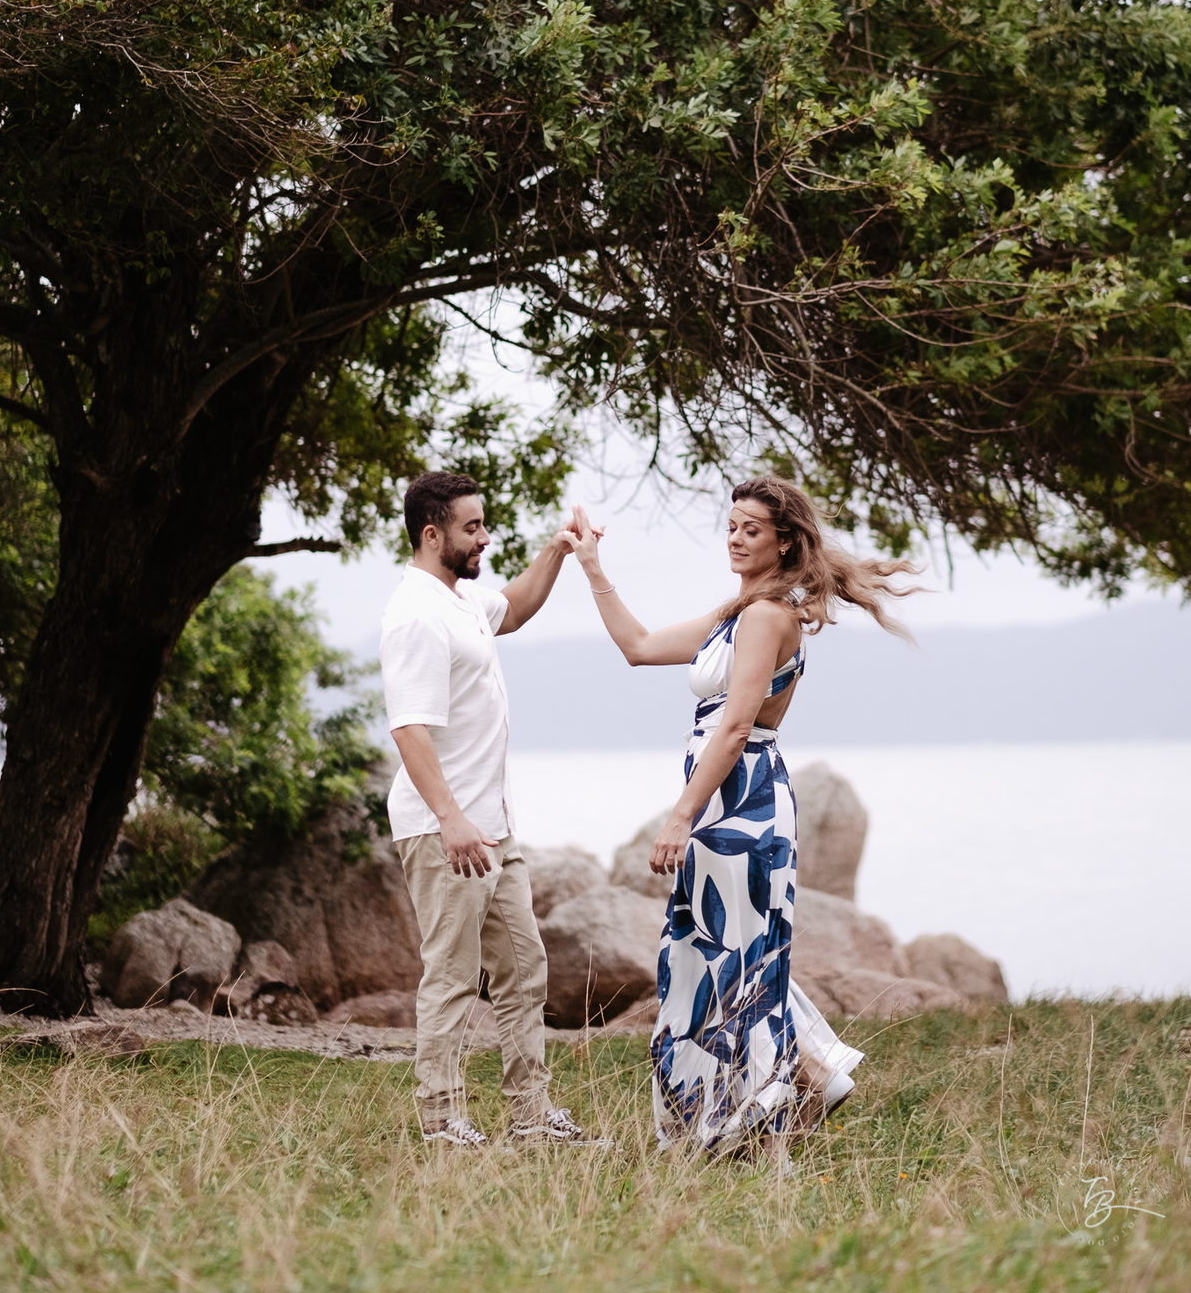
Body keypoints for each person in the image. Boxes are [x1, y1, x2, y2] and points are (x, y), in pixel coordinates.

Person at [560, 477, 916, 1155]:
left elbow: (734, 727)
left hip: (740, 805)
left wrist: (679, 819)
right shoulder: (738, 612)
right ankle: (786, 1094)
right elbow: (636, 646)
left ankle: (776, 1120)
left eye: (750, 529)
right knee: (713, 955)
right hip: (726, 804)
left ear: (784, 540)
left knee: (737, 960)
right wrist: (592, 565)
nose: (734, 537)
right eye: (731, 526)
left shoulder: (767, 617)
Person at [382, 469, 593, 1148]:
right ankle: (441, 1121)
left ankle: (531, 1117)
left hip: (493, 831)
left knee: (524, 968)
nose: (485, 537)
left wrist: (558, 550)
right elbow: (410, 728)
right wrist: (451, 820)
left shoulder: (461, 600)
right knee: (450, 974)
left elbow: (518, 606)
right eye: (473, 527)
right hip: (449, 833)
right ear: (432, 533)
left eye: (485, 524)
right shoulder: (416, 613)